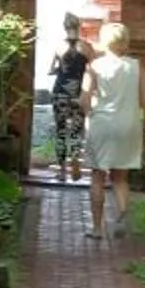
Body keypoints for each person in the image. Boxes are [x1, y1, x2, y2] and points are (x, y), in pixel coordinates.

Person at [82, 22, 145, 242]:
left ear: (104, 42)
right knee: (121, 178)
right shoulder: (136, 67)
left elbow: (84, 99)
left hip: (102, 124)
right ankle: (122, 215)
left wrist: (89, 114)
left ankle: (97, 229)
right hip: (128, 124)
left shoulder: (94, 67)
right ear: (125, 42)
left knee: (97, 176)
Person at [47, 14, 88, 182]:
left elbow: (51, 70)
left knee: (61, 130)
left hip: (60, 93)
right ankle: (75, 159)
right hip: (79, 92)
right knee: (77, 130)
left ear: (64, 27)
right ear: (79, 26)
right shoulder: (86, 47)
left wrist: (61, 70)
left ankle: (62, 170)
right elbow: (94, 69)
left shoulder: (58, 46)